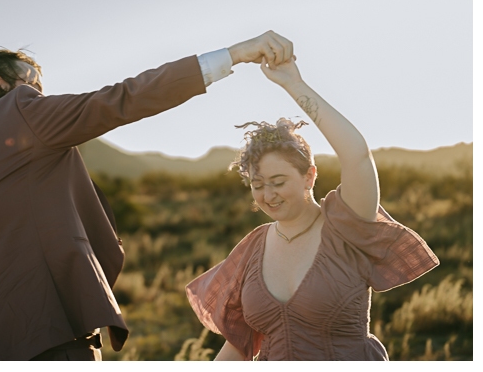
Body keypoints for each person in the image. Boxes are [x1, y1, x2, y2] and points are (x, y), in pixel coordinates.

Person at [0, 31, 294, 361]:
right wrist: (234, 54)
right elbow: (121, 99)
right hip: (50, 338)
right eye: (34, 84)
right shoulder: (19, 110)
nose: (41, 95)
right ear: (0, 83)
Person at [185, 56, 439, 360]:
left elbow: (356, 154)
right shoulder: (252, 249)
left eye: (278, 181)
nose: (268, 195)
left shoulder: (346, 224)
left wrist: (293, 83)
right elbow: (239, 344)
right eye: (258, 184)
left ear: (309, 175)